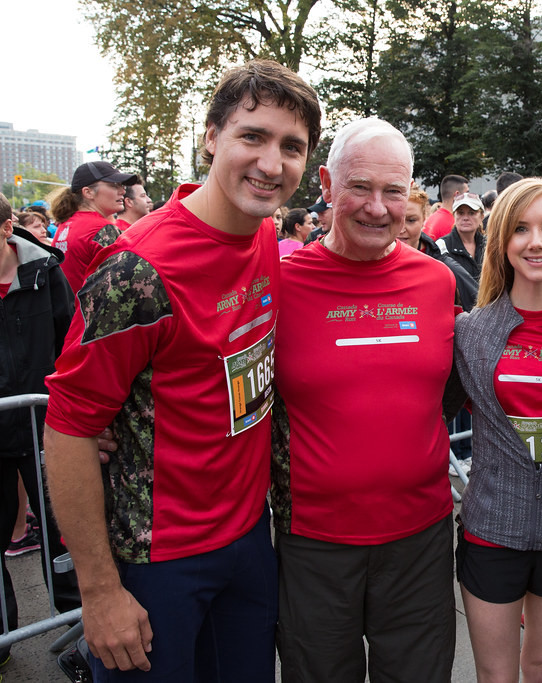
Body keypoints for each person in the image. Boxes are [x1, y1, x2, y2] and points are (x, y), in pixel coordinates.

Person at [43, 59, 322, 681]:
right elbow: (68, 427)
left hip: (248, 542)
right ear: (212, 136)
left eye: (291, 146)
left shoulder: (263, 235)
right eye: (253, 136)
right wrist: (99, 592)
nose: (271, 163)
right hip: (158, 560)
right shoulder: (136, 271)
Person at [272, 117, 461, 683]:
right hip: (314, 542)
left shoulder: (438, 282)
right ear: (327, 185)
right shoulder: (278, 280)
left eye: (393, 191)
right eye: (359, 187)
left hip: (421, 539)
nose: (377, 208)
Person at [453, 177, 542, 683]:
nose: (536, 242)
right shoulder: (468, 333)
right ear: (502, 242)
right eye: (520, 229)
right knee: (496, 675)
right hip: (492, 530)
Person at [0, 192, 79, 666]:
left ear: (6, 229)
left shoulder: (45, 271)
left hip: (44, 426)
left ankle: (79, 630)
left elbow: (71, 340)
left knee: (62, 528)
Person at [50, 161, 139, 293]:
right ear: (88, 192)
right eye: (114, 185)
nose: (123, 191)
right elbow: (125, 281)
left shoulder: (66, 223)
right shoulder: (102, 229)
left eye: (122, 185)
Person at [401, 186, 479, 310]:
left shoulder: (445, 267)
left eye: (411, 220)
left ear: (424, 219)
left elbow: (478, 304)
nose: (401, 228)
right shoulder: (370, 257)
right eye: (394, 218)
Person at [440, 190, 486, 282]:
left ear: (481, 217)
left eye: (471, 213)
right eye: (460, 213)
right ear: (454, 216)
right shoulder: (442, 246)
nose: (465, 218)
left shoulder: (488, 245)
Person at [424, 174, 470, 240]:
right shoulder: (452, 225)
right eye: (466, 193)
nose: (468, 197)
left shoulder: (431, 218)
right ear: (456, 195)